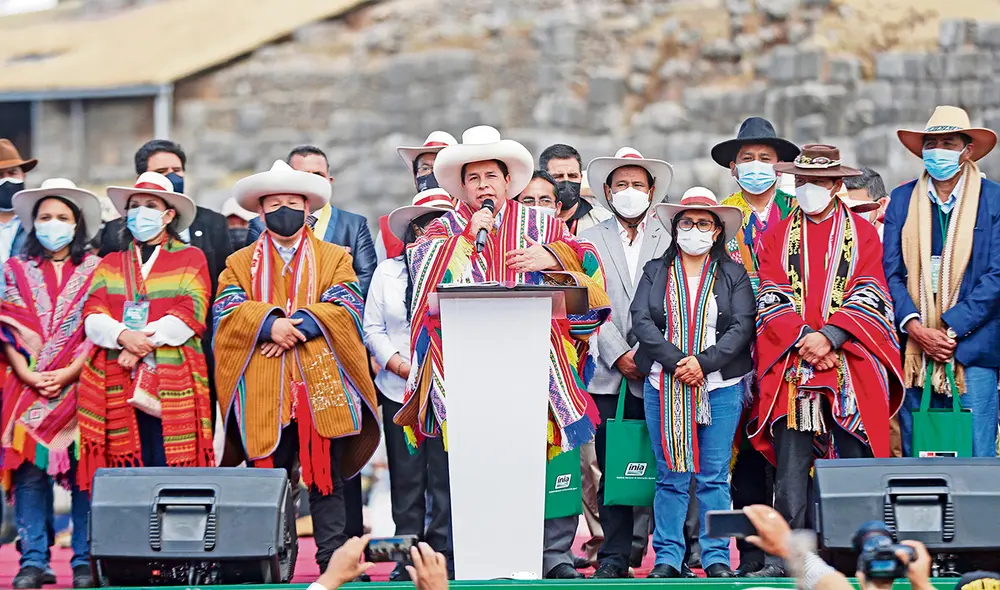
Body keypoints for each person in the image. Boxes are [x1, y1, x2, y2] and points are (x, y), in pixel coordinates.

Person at [395, 127, 611, 543]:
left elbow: (590, 266)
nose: (482, 187)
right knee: (472, 467)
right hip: (465, 370)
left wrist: (552, 254)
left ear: (507, 181)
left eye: (490, 178)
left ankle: (539, 553)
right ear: (461, 186)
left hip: (531, 365)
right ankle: (472, 552)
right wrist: (463, 238)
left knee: (532, 466)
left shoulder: (540, 223)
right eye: (473, 179)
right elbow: (422, 283)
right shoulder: (442, 230)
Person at [214, 160, 380, 572]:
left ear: (308, 208)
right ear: (261, 210)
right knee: (268, 481)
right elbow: (225, 310)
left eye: (292, 202)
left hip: (320, 382)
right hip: (264, 384)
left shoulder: (334, 257)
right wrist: (268, 324)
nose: (283, 209)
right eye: (274, 203)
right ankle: (270, 561)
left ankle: (331, 562)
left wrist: (295, 327)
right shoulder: (239, 262)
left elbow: (348, 304)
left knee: (327, 480)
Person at [749, 144, 904, 576]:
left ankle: (857, 552)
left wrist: (832, 336)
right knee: (792, 465)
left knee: (855, 459)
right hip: (794, 363)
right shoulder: (777, 233)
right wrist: (805, 339)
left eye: (817, 182)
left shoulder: (864, 232)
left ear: (837, 185)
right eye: (801, 182)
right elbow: (771, 293)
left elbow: (872, 290)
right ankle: (786, 559)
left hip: (849, 361)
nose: (807, 189)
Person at [630, 187, 753, 578]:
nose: (694, 229)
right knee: (670, 475)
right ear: (675, 228)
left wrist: (701, 364)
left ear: (717, 231)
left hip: (718, 387)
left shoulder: (733, 273)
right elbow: (641, 321)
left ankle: (716, 556)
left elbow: (742, 327)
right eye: (687, 222)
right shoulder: (656, 270)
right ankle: (667, 556)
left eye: (703, 223)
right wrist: (676, 362)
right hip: (662, 384)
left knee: (715, 476)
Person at [565, 147, 672, 580]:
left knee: (666, 463)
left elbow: (674, 301)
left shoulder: (670, 235)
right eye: (621, 185)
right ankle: (614, 553)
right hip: (608, 373)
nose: (630, 192)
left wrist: (647, 353)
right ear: (607, 192)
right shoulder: (589, 240)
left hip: (664, 369)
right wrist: (618, 353)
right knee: (612, 465)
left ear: (651, 191)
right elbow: (587, 301)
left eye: (638, 185)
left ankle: (668, 551)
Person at [78, 172, 215, 489]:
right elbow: (93, 313)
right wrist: (123, 336)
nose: (141, 212)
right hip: (118, 379)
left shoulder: (190, 258)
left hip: (171, 378)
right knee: (128, 472)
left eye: (150, 205)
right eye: (135, 205)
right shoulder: (110, 262)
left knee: (170, 467)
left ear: (168, 215)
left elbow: (191, 311)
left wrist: (137, 343)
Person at [2, 179, 102, 589]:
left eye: (62, 217)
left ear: (77, 224)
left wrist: (70, 371)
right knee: (28, 475)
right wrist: (26, 372)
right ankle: (34, 560)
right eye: (45, 217)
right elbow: (5, 327)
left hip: (82, 383)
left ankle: (82, 560)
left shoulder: (97, 269)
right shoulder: (15, 270)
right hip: (23, 384)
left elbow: (97, 330)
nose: (53, 224)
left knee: (84, 474)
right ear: (33, 225)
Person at [711, 116, 800, 576]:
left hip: (790, 352)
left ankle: (789, 550)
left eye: (766, 159)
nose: (757, 166)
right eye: (748, 159)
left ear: (780, 165)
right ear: (733, 167)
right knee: (743, 451)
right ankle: (749, 552)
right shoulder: (717, 218)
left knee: (790, 448)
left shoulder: (800, 212)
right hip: (736, 352)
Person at [883, 106, 1000, 458]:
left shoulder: (993, 199)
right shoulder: (903, 199)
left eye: (948, 143)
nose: (937, 151)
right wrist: (917, 329)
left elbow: (996, 275)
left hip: (971, 348)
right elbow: (890, 271)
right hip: (914, 351)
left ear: (967, 150)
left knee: (976, 454)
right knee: (921, 449)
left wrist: (949, 330)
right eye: (931, 144)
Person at [363, 188, 455, 581]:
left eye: (440, 226)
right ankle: (407, 550)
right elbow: (373, 327)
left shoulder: (462, 271)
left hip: (449, 391)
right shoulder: (387, 272)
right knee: (407, 473)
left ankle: (442, 552)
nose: (430, 235)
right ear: (412, 233)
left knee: (445, 474)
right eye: (423, 227)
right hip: (399, 389)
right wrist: (399, 364)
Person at [246, 145, 377, 297]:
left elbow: (366, 277)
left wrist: (320, 310)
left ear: (330, 181)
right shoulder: (260, 225)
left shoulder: (354, 225)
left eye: (318, 175)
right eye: (303, 175)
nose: (312, 180)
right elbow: (253, 276)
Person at [376, 131, 459, 263]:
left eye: (441, 168)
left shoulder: (475, 223)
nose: (433, 175)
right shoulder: (390, 229)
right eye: (425, 169)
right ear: (415, 179)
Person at [540, 144, 613, 234]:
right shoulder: (527, 219)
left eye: (572, 176)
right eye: (558, 176)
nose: (566, 181)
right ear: (542, 179)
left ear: (581, 177)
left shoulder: (605, 222)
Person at [843, 167, 890, 238]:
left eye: (857, 207)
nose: (850, 214)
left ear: (881, 204)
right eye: (844, 207)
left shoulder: (895, 237)